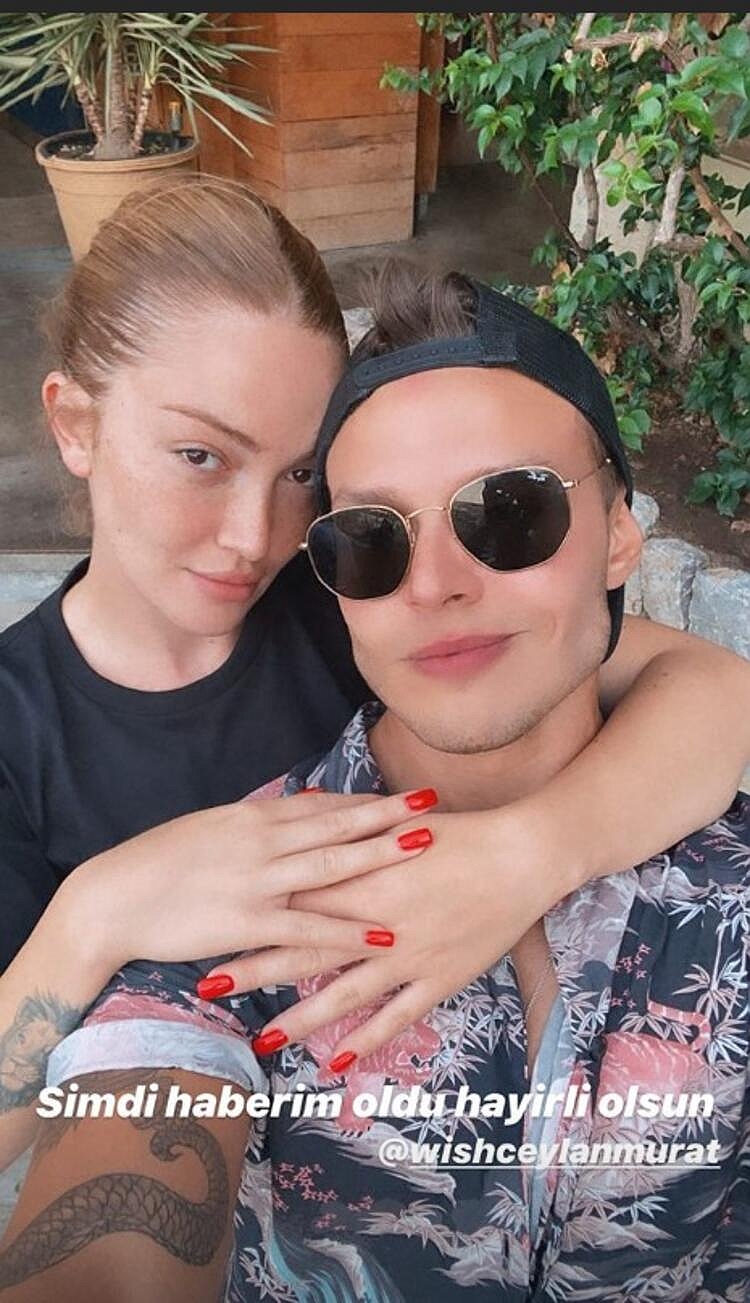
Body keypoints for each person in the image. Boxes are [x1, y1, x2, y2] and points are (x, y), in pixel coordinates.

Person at [2, 265, 748, 1303]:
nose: (432, 584)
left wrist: (531, 850)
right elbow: (125, 1165)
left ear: (622, 533)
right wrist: (94, 912)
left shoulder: (320, 613)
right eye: (370, 538)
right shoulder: (222, 908)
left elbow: (710, 682)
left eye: (512, 511)